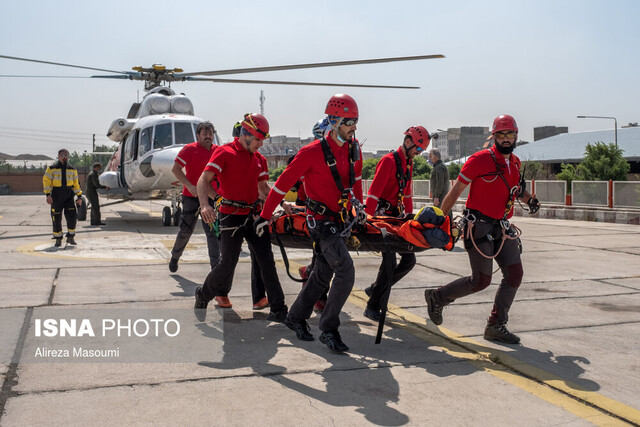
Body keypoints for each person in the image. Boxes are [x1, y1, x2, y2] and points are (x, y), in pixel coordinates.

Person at [255, 94, 363, 353]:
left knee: (322, 275)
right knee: (346, 271)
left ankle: (295, 317)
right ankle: (329, 329)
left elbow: (356, 181)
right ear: (335, 121)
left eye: (356, 122)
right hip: (321, 222)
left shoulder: (352, 148)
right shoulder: (311, 153)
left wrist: (360, 207)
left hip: (339, 219)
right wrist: (265, 216)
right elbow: (280, 187)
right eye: (350, 122)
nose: (354, 127)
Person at [424, 114, 540, 344]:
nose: (506, 139)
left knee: (514, 274)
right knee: (481, 280)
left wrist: (530, 200)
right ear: (494, 136)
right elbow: (456, 190)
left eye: (510, 134)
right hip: (478, 227)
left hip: (502, 227)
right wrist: (440, 219)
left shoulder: (515, 163)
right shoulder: (479, 160)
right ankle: (438, 297)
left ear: (516, 136)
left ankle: (496, 325)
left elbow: (515, 190)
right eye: (501, 134)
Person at [194, 113, 287, 322]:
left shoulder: (260, 159)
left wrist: (282, 203)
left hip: (254, 215)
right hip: (231, 216)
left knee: (266, 261)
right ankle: (203, 293)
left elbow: (263, 189)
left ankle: (279, 309)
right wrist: (205, 205)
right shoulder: (224, 153)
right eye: (258, 139)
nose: (261, 144)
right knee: (227, 263)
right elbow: (203, 180)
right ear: (245, 134)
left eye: (263, 140)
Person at [362, 126, 431, 321]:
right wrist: (366, 219)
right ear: (408, 142)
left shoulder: (407, 164)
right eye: (418, 149)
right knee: (390, 261)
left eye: (421, 151)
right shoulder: (388, 162)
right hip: (381, 218)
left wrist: (410, 216)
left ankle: (376, 289)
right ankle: (373, 305)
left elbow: (407, 193)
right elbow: (373, 194)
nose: (418, 154)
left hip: (397, 218)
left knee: (409, 260)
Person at [168, 121, 221, 280]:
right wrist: (189, 185)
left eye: (210, 134)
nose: (208, 137)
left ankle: (215, 271)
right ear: (198, 136)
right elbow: (175, 169)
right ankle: (175, 256)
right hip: (191, 197)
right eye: (204, 134)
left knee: (212, 233)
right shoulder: (189, 149)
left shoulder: (218, 151)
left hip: (210, 197)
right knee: (185, 231)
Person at [43, 148, 83, 247]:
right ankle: (58, 239)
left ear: (68, 156)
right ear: (58, 156)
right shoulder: (51, 169)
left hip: (69, 196)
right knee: (56, 218)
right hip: (56, 195)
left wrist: (79, 197)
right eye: (62, 155)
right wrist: (48, 195)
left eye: (66, 155)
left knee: (72, 217)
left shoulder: (72, 169)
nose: (64, 157)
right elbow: (46, 182)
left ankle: (71, 237)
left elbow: (76, 184)